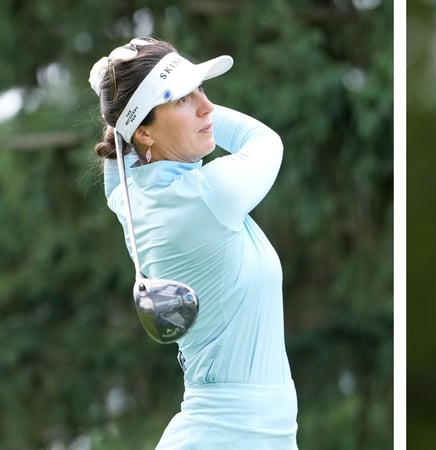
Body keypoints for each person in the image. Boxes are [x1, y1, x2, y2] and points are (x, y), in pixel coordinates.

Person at [88, 37, 298, 449]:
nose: (206, 106)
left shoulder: (134, 199)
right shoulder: (206, 196)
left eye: (201, 89)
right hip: (230, 437)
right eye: (183, 99)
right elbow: (266, 142)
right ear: (144, 131)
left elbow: (120, 153)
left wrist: (120, 94)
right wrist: (115, 94)